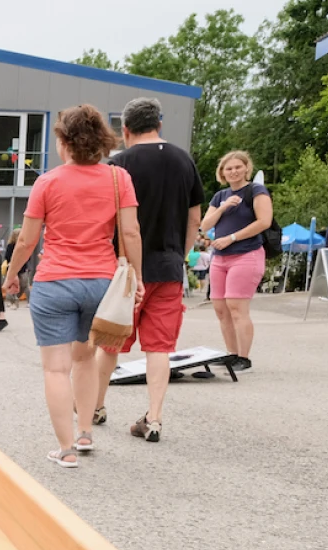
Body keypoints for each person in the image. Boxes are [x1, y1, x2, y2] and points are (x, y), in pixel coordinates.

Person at [3, 105, 144, 468]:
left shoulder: (47, 182)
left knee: (55, 369)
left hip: (54, 282)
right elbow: (130, 232)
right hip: (100, 283)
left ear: (63, 140)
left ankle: (65, 449)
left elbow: (27, 241)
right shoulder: (118, 179)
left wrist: (12, 273)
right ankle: (85, 432)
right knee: (85, 359)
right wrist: (138, 279)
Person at [94, 97, 204, 444]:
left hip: (125, 270)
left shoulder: (118, 165)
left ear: (125, 130)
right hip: (169, 267)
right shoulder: (184, 160)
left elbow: (108, 220)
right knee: (159, 348)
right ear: (159, 125)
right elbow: (195, 219)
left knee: (110, 341)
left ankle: (96, 406)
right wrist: (180, 256)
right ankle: (154, 417)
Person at [200, 151, 273, 372]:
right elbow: (204, 225)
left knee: (236, 306)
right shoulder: (220, 196)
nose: (233, 171)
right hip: (220, 258)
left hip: (245, 254)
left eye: (237, 167)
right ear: (222, 172)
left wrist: (232, 237)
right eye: (228, 168)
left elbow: (264, 221)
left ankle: (244, 356)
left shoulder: (256, 191)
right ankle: (231, 354)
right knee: (221, 308)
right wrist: (223, 207)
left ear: (246, 168)